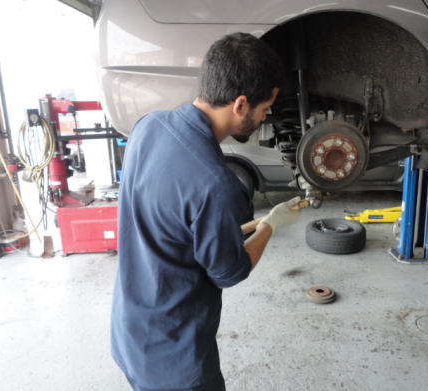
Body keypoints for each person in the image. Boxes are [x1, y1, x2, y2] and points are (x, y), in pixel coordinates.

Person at [111, 32, 302, 391]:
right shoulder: (216, 184)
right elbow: (226, 273)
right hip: (177, 363)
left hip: (130, 336)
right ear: (241, 105)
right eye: (265, 109)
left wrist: (239, 225)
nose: (265, 118)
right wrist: (271, 226)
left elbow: (175, 222)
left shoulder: (148, 126)